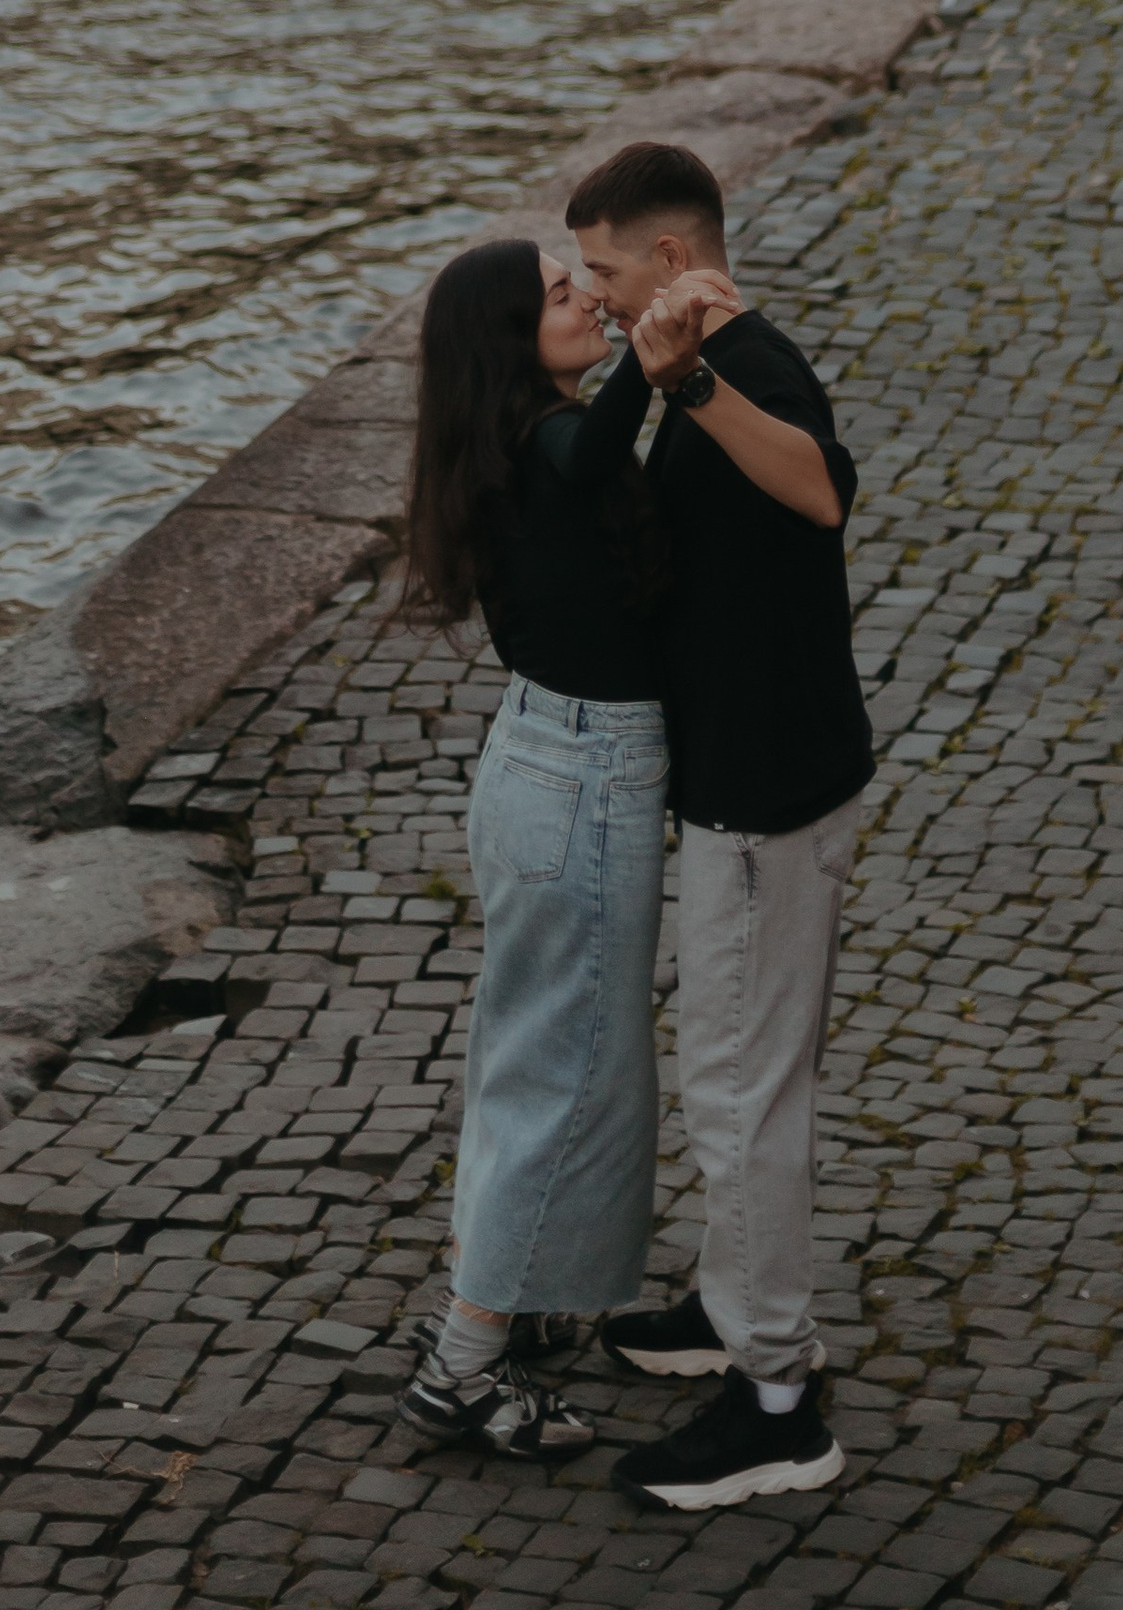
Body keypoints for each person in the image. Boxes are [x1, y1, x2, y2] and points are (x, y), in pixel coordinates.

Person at [566, 140, 873, 1514]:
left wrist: (684, 376)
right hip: (755, 776)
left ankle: (777, 1401)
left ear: (674, 264)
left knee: (741, 1094)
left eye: (607, 273)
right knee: (741, 1073)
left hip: (765, 793)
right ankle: (731, 1308)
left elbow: (819, 489)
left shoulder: (754, 370)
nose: (597, 293)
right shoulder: (706, 360)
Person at [393, 238, 668, 1466]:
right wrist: (659, 362)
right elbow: (598, 446)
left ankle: (519, 1301)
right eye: (563, 296)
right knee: (565, 1074)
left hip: (536, 764)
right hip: (586, 775)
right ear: (514, 341)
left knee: (530, 1064)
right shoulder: (552, 444)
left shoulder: (500, 452)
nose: (591, 299)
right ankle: (461, 1364)